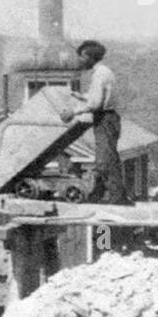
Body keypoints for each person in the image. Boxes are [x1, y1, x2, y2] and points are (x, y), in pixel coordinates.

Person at [60, 39, 132, 205]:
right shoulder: (105, 72)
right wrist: (83, 96)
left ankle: (117, 198)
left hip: (105, 118)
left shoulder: (99, 74)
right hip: (108, 118)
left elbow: (95, 104)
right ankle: (100, 194)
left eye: (81, 57)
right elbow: (98, 98)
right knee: (106, 157)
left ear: (87, 55)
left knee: (105, 159)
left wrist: (74, 111)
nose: (80, 61)